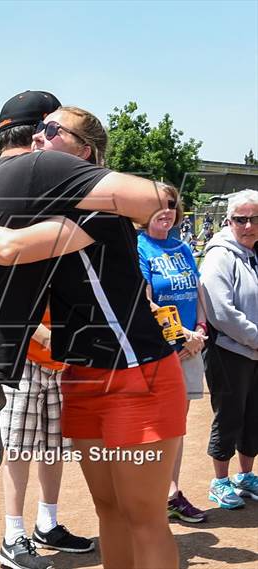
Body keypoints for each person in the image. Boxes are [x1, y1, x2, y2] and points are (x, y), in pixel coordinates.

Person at [0, 91, 173, 569]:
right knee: (105, 511)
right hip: (78, 376)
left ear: (83, 152)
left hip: (135, 375)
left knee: (141, 516)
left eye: (53, 132)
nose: (40, 139)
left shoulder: (98, 209)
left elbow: (10, 247)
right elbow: (22, 191)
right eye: (39, 130)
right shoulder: (52, 193)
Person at [0, 307, 93, 569]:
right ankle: (13, 535)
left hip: (62, 364)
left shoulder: (72, 265)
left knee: (55, 447)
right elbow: (13, 309)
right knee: (18, 448)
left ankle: (47, 525)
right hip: (24, 360)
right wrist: (53, 340)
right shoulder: (24, 263)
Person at [137, 193, 208, 523]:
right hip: (160, 348)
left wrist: (200, 331)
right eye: (156, 207)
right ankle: (149, 495)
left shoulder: (181, 248)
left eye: (169, 206)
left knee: (177, 427)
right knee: (154, 426)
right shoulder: (139, 246)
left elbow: (197, 292)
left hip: (190, 347)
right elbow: (145, 300)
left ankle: (172, 494)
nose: (164, 212)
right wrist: (183, 334)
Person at [200, 189, 258, 509]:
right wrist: (256, 338)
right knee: (229, 415)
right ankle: (220, 481)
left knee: (253, 417)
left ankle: (246, 476)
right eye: (241, 219)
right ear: (229, 220)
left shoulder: (255, 252)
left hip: (254, 352)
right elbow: (220, 312)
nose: (248, 225)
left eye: (254, 219)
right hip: (229, 351)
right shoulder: (220, 255)